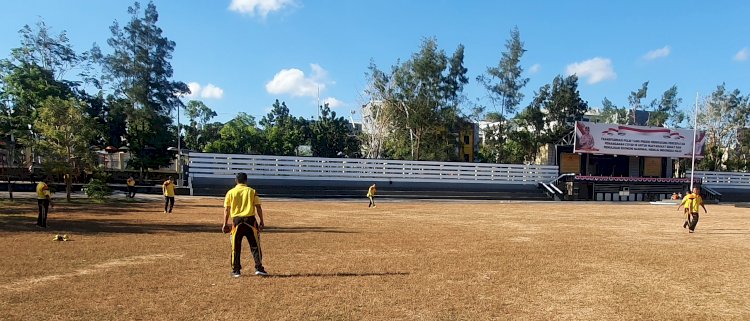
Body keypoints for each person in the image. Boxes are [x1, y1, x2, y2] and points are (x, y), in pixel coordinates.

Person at [222, 172, 267, 278]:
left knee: (235, 246)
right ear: (246, 180)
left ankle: (236, 270)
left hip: (236, 221)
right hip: (250, 221)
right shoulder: (252, 191)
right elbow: (258, 207)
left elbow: (226, 209)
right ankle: (259, 268)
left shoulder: (230, 192)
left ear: (236, 181)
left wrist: (225, 223)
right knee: (255, 245)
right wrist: (262, 221)